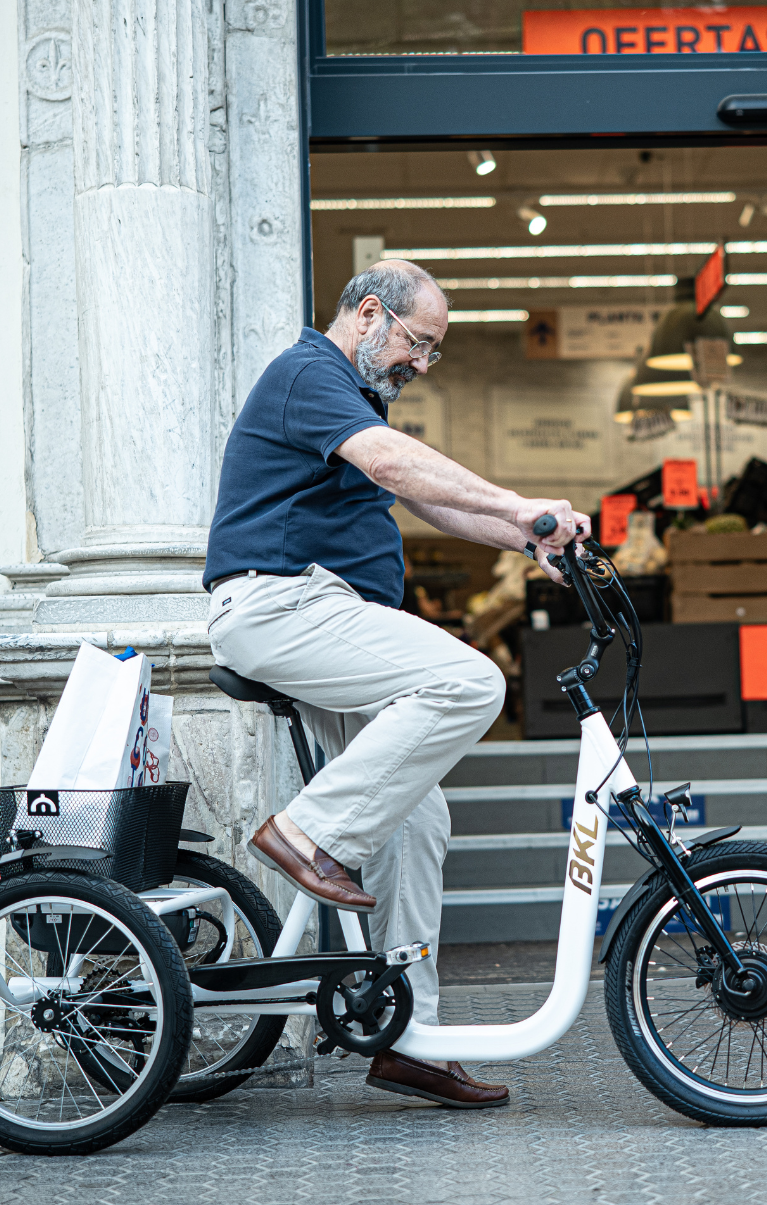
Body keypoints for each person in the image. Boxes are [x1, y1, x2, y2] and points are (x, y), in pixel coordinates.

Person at [203, 259, 593, 1107]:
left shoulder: (358, 395)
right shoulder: (309, 373)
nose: (421, 363)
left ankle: (409, 1036)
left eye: (432, 352)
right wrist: (523, 502)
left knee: (419, 818)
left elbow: (427, 502)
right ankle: (307, 835)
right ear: (370, 312)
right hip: (280, 602)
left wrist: (524, 536)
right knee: (468, 681)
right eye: (420, 343)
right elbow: (398, 469)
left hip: (321, 611)